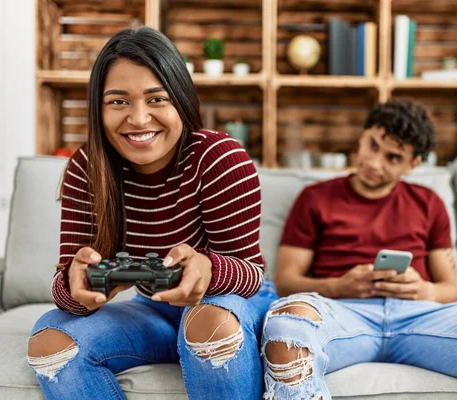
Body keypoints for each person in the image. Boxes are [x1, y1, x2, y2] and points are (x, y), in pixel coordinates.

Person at [261, 99, 457, 400]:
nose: (374, 162)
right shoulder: (315, 198)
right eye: (373, 145)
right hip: (340, 311)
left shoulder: (429, 204)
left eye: (393, 158)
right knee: (288, 327)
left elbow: (449, 289)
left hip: (420, 315)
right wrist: (338, 285)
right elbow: (286, 281)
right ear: (362, 137)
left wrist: (422, 288)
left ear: (413, 164)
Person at [26, 27, 277, 400]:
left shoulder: (219, 157)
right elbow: (66, 289)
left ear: (181, 99)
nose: (139, 119)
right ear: (98, 107)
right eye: (118, 102)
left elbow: (252, 275)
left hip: (228, 302)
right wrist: (75, 284)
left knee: (208, 322)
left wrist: (207, 267)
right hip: (154, 309)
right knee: (50, 342)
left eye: (156, 99)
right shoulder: (86, 168)